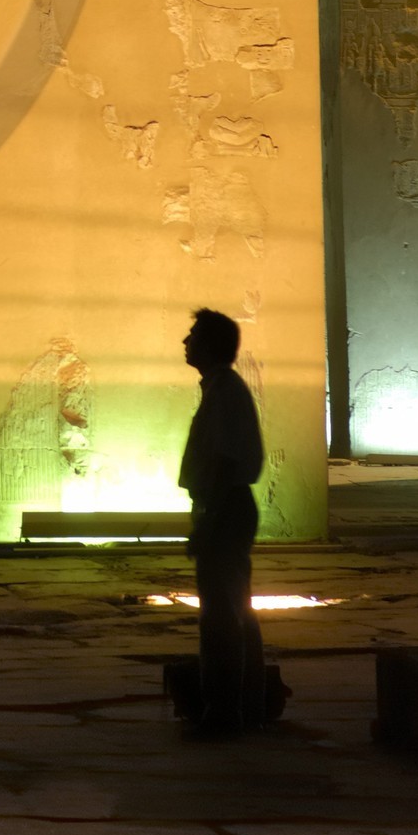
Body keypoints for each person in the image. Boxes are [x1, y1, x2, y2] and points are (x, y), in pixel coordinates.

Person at [178, 307, 266, 738]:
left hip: (225, 506)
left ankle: (225, 711)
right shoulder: (221, 388)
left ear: (210, 345)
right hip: (225, 505)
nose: (185, 341)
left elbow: (224, 461)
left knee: (221, 616)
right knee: (235, 608)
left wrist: (208, 519)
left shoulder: (224, 392)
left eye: (193, 335)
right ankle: (247, 702)